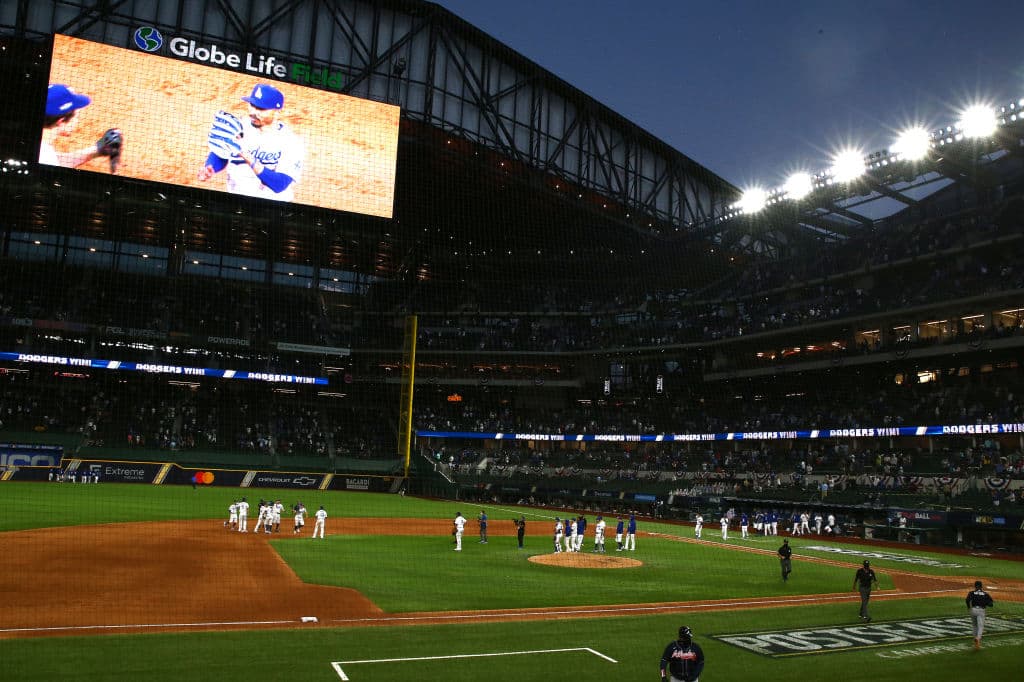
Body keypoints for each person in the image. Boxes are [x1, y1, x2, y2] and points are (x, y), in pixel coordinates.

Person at [197, 83, 304, 202]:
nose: (253, 112)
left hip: (272, 207)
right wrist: (210, 167)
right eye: (252, 105)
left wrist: (245, 154)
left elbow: (279, 184)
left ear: (277, 112)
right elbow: (220, 153)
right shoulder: (239, 127)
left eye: (261, 109)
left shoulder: (291, 142)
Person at [40, 84, 122, 170]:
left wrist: (97, 149)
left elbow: (55, 161)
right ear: (61, 122)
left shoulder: (44, 152)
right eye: (76, 116)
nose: (77, 120)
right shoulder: (46, 157)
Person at [966, 579, 994, 649]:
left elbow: (967, 600)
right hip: (981, 610)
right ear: (981, 587)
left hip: (973, 610)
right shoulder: (985, 594)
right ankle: (978, 638)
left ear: (975, 586)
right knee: (980, 626)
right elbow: (991, 604)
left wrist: (969, 607)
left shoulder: (971, 593)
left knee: (974, 626)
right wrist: (985, 603)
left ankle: (975, 641)